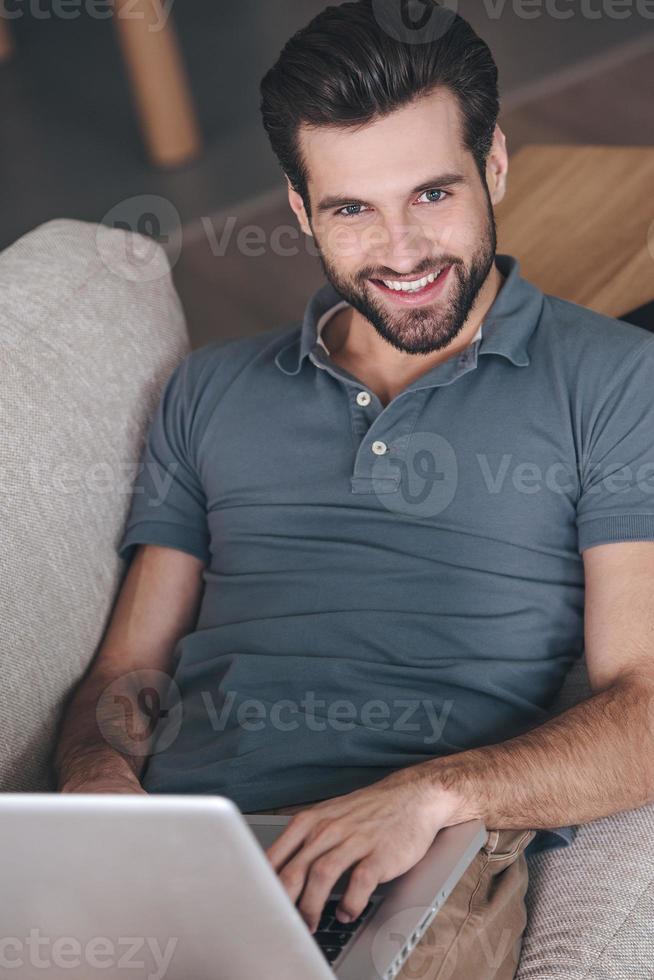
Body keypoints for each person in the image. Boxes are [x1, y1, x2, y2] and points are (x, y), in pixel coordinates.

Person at [54, 3, 654, 977]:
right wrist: (95, 770)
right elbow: (126, 672)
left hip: (415, 861)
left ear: (494, 165)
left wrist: (431, 795)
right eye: (351, 209)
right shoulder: (210, 389)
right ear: (298, 209)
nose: (404, 251)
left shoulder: (617, 381)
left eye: (431, 193)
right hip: (193, 849)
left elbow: (645, 710)